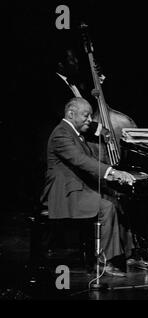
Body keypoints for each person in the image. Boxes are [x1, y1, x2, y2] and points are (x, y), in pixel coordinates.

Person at [41, 97, 136, 276]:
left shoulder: (75, 133)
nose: (90, 121)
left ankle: (128, 254)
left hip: (78, 188)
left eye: (91, 116)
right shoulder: (61, 134)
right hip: (64, 194)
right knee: (106, 207)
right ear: (71, 114)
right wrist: (113, 173)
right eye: (86, 116)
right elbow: (82, 161)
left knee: (113, 199)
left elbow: (89, 161)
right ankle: (103, 262)